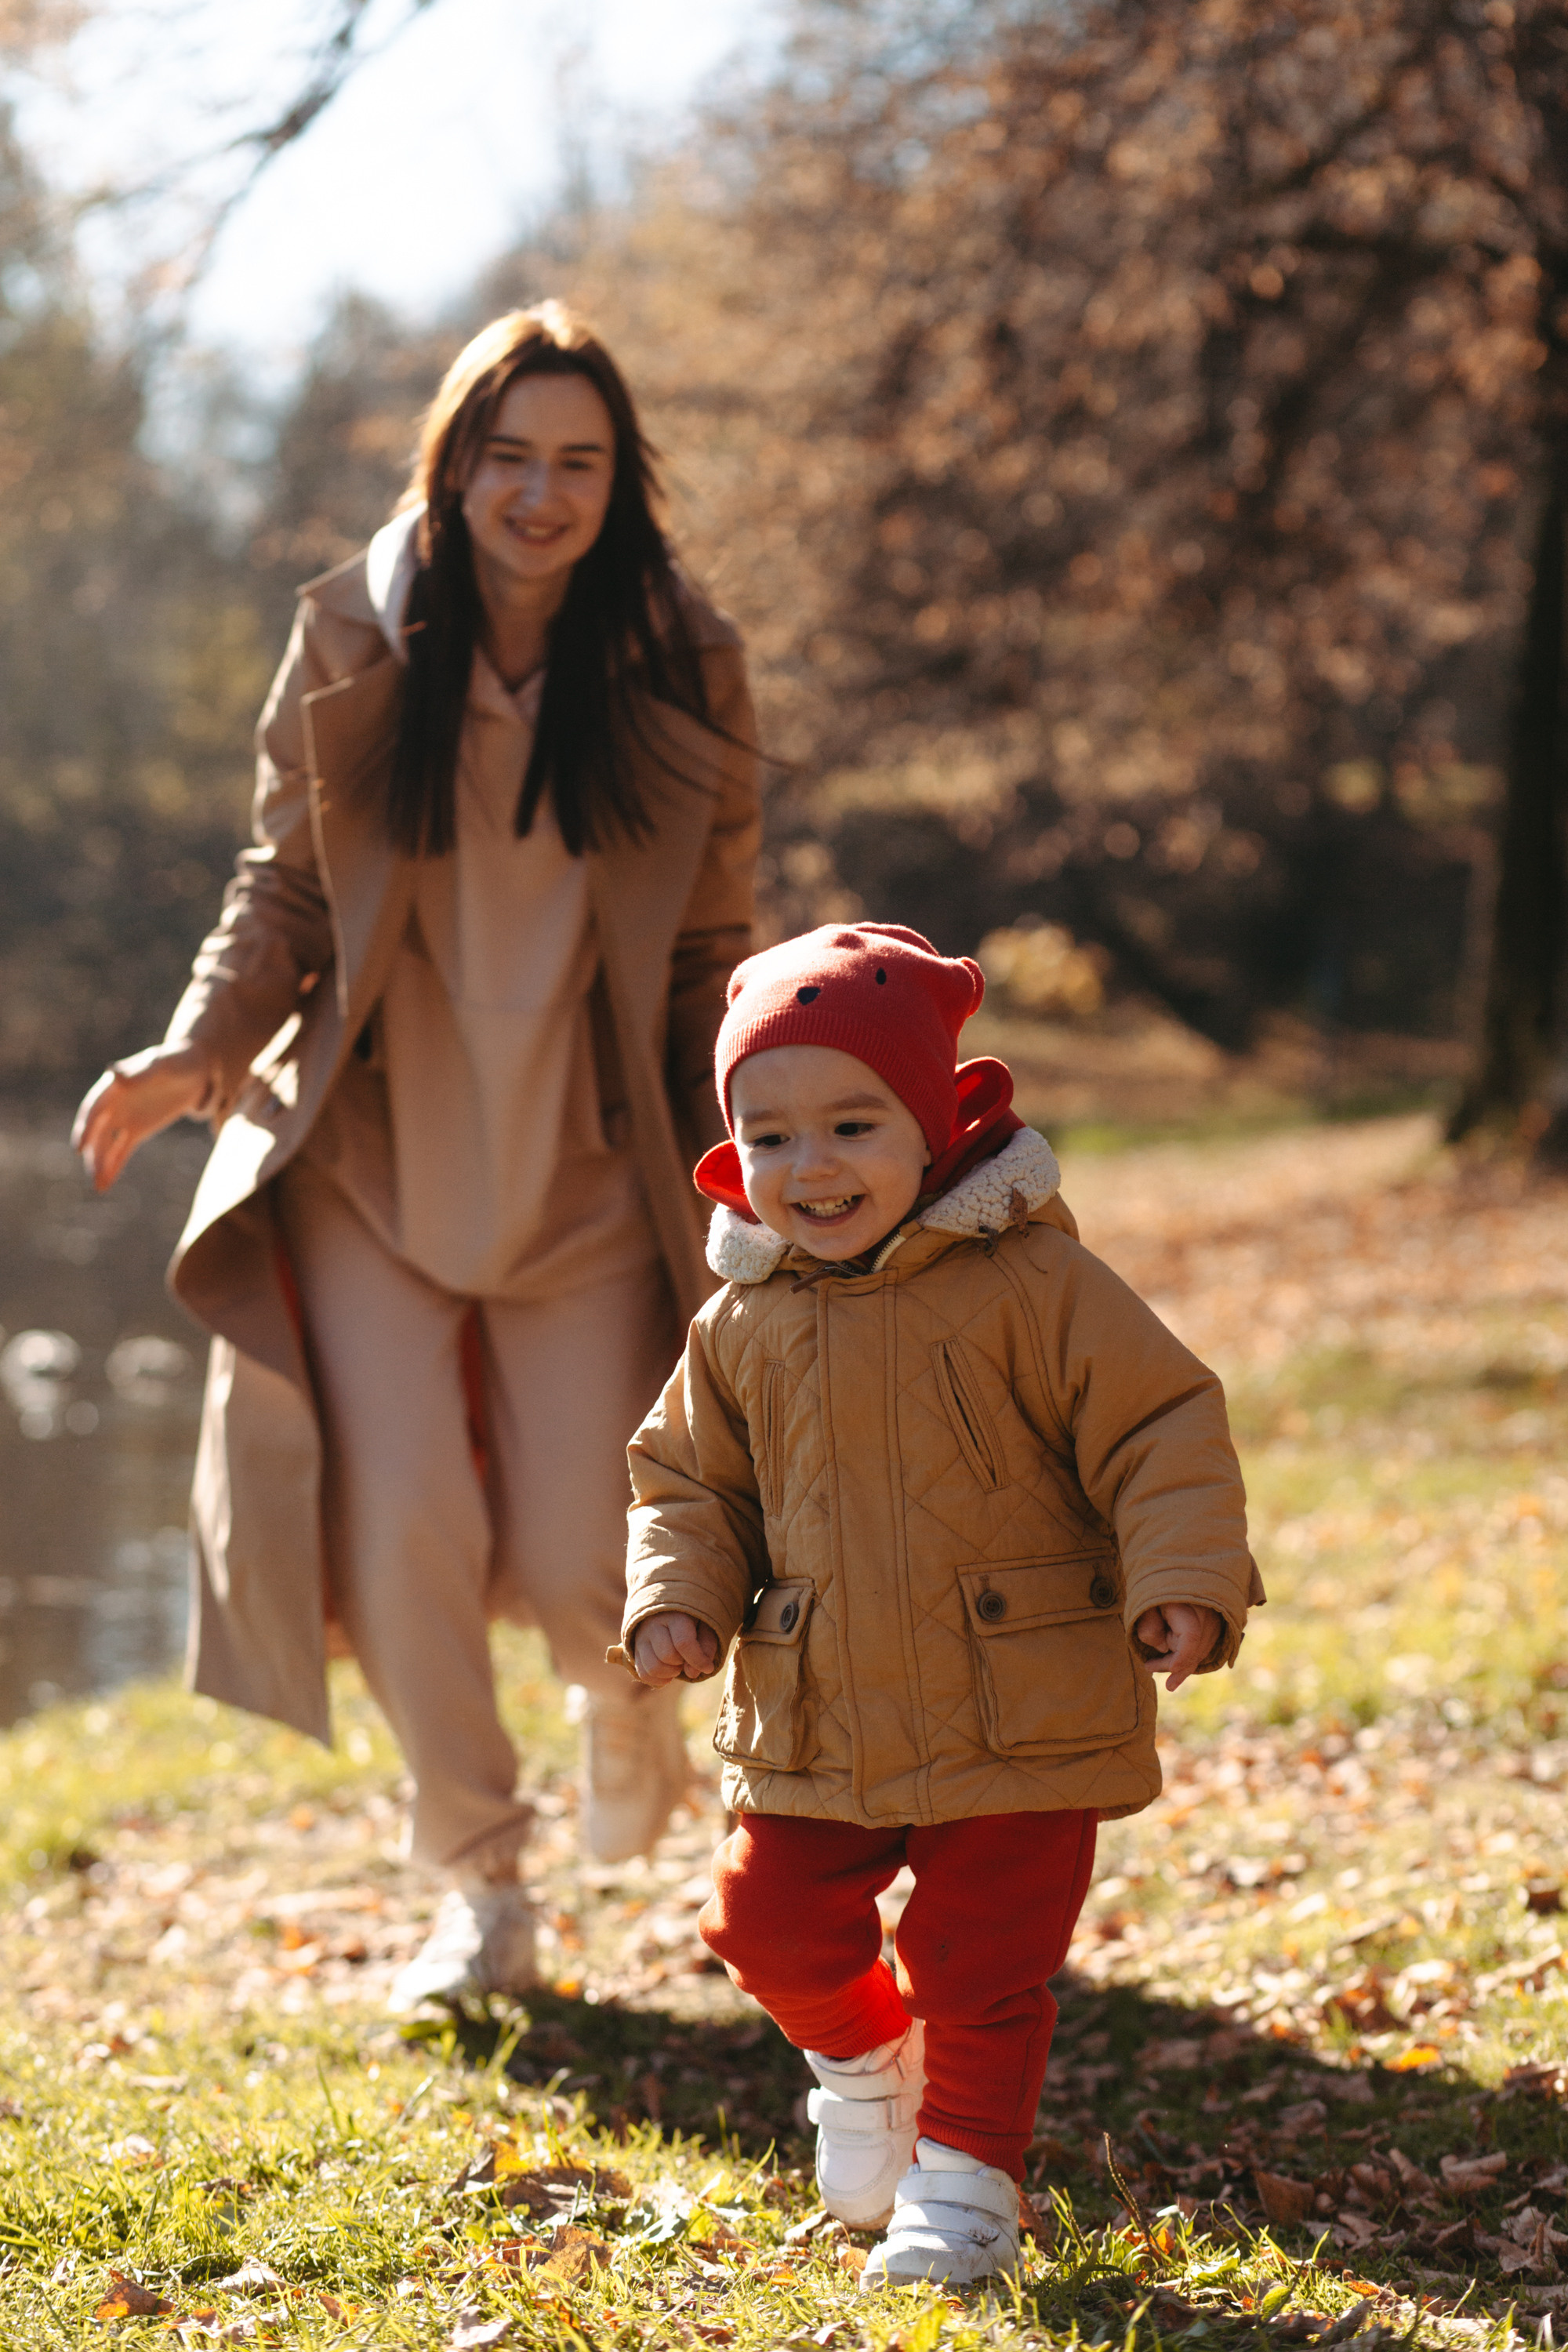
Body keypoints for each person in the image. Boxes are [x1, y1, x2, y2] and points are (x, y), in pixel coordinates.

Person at [72, 303, 761, 2009]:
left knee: (586, 1550)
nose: (540, 493)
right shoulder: (354, 640)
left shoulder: (684, 659)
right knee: (401, 1539)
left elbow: (706, 949)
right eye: (508, 457)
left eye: (577, 462)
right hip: (374, 1160)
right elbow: (285, 886)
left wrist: (750, 1154)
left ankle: (626, 1715)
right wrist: (200, 1044)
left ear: (620, 485)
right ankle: (480, 1889)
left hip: (593, 1171)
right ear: (454, 468)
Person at [617, 922, 1263, 2286]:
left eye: (854, 1123)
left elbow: (1163, 1430)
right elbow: (685, 1481)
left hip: (1015, 1694)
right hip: (816, 1703)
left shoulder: (1034, 1283)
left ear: (935, 1124)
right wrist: (678, 1596)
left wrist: (1185, 1578)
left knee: (981, 1955)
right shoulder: (739, 1323)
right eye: (773, 1136)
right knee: (765, 1922)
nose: (814, 1167)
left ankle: (968, 2184)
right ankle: (864, 2069)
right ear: (736, 1152)